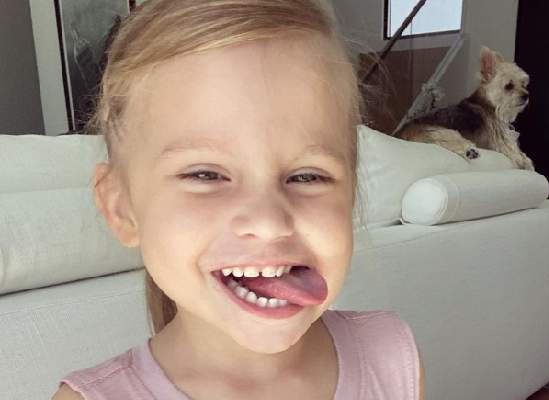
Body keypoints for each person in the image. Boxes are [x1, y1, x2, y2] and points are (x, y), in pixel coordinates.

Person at [52, 0, 424, 399]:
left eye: (307, 176)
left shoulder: (389, 354)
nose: (268, 222)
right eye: (205, 175)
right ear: (121, 207)